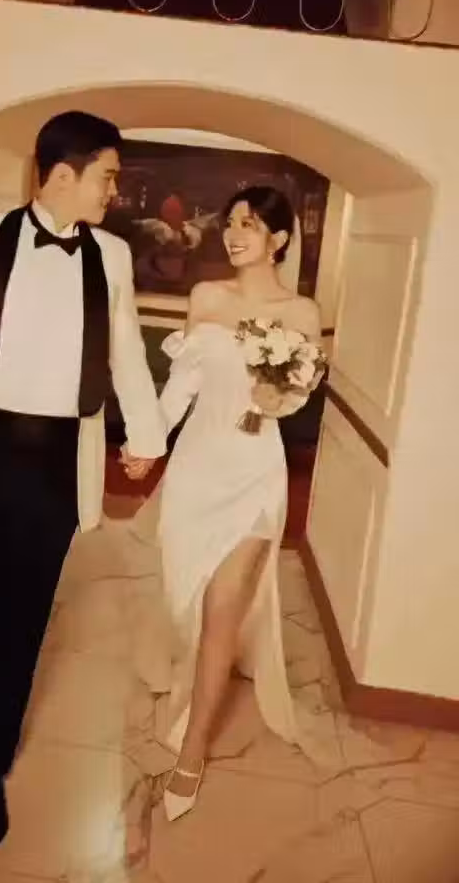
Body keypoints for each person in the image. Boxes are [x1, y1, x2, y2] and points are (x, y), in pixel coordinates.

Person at [0, 111, 166, 849]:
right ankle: (9, 659)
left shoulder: (112, 256)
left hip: (60, 457)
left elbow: (125, 351)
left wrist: (146, 437)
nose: (114, 191)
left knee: (24, 623)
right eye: (107, 176)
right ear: (62, 174)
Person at [126, 185, 323, 821]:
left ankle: (192, 756)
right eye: (232, 222)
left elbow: (296, 398)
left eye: (250, 225)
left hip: (255, 475)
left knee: (221, 613)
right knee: (183, 595)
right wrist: (148, 443)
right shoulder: (207, 297)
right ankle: (191, 673)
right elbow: (181, 386)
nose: (234, 234)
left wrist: (276, 399)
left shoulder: (302, 312)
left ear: (279, 239)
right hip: (194, 472)